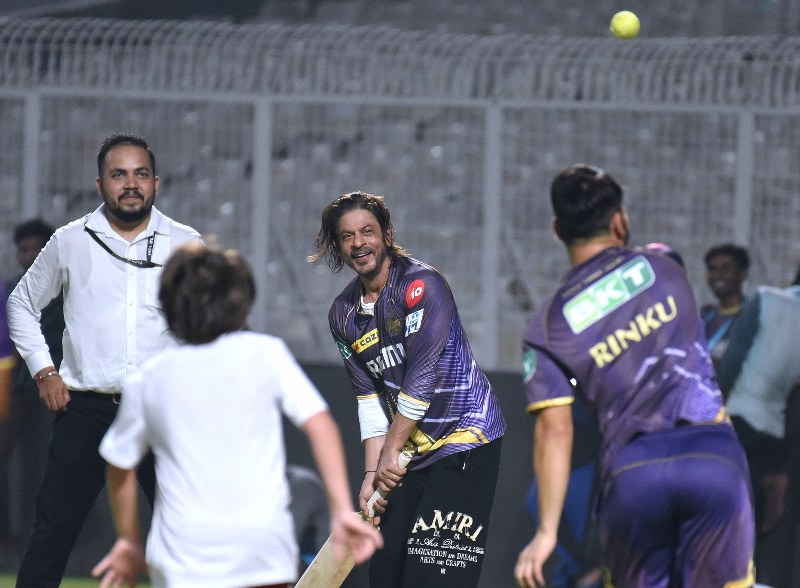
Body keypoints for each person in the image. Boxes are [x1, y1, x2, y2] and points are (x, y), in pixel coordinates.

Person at [514, 164, 754, 588]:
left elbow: (554, 432)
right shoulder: (664, 263)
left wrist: (547, 532)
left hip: (633, 475)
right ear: (620, 221)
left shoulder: (546, 327)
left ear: (557, 229)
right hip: (713, 459)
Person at [91, 243, 382, 587]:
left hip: (183, 559)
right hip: (261, 550)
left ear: (170, 306)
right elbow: (320, 425)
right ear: (240, 301)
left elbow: (120, 464)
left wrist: (128, 540)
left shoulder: (148, 378)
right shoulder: (266, 354)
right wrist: (338, 510)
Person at [6, 133, 203, 587]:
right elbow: (20, 305)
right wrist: (44, 369)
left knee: (189, 535)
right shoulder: (70, 240)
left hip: (160, 411)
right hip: (85, 409)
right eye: (119, 175)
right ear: (100, 184)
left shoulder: (186, 245)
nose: (130, 184)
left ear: (156, 182)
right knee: (52, 532)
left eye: (140, 174)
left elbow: (209, 324)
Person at [308, 191, 506, 588]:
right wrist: (371, 472)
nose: (359, 243)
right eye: (347, 236)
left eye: (367, 231)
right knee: (385, 576)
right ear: (338, 246)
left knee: (432, 579)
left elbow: (419, 384)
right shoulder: (343, 315)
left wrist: (391, 455)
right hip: (410, 449)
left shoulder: (423, 286)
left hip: (466, 437)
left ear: (387, 233)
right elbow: (369, 400)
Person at [716, 264, 800, 588]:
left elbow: (733, 361)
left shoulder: (766, 299)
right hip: (775, 431)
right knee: (757, 530)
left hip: (737, 419)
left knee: (727, 523)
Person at [0, 219, 64, 569]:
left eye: (37, 248)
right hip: (19, 389)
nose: (29, 255)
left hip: (61, 390)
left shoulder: (68, 291)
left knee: (52, 466)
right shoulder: (9, 290)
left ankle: (51, 540)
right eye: (24, 249)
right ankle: (6, 540)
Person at [701, 242, 750, 373]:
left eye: (726, 268)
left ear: (742, 274)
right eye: (713, 269)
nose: (718, 275)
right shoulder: (705, 315)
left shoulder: (751, 316)